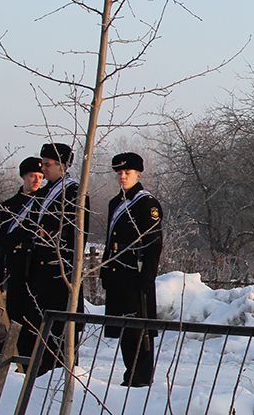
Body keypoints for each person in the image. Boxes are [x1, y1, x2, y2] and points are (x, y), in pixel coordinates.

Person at [19, 142, 87, 374]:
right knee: (37, 330)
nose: (43, 169)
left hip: (59, 273)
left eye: (48, 165)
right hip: (39, 274)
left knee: (58, 332)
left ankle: (58, 372)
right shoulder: (45, 192)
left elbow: (76, 233)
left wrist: (50, 238)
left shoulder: (74, 192)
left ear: (62, 165)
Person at [100, 152, 163, 387]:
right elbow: (110, 240)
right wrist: (105, 270)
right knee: (125, 332)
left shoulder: (147, 203)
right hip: (118, 276)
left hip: (136, 276)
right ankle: (130, 373)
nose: (123, 177)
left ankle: (141, 378)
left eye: (127, 173)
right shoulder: (116, 203)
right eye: (120, 173)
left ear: (138, 174)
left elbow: (153, 245)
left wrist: (147, 277)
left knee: (140, 332)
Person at [0, 157, 44, 326]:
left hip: (35, 269)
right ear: (23, 177)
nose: (36, 180)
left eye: (40, 177)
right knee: (15, 315)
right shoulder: (9, 206)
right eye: (32, 176)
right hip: (16, 267)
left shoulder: (43, 203)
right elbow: (2, 243)